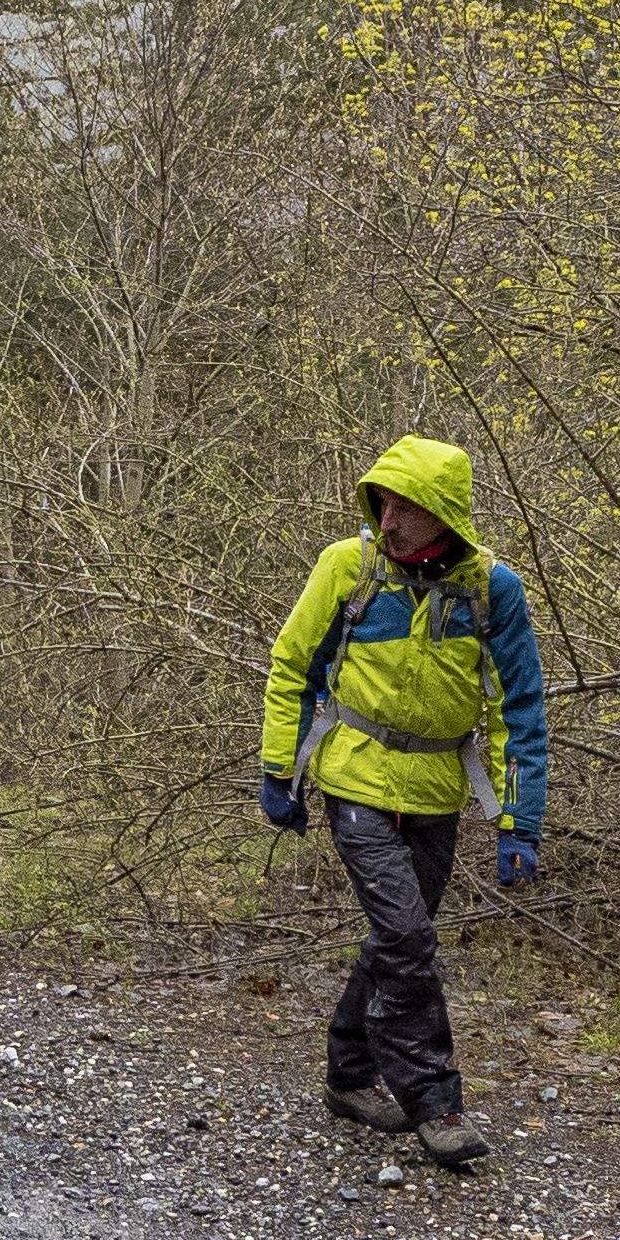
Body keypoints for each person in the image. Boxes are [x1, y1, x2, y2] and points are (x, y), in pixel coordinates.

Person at [257, 437, 549, 1171]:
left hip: (438, 789)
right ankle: (436, 1103)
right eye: (382, 503)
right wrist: (279, 772)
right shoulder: (347, 569)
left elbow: (521, 709)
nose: (388, 522)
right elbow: (294, 665)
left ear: (445, 515)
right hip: (354, 779)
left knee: (397, 938)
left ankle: (349, 1076)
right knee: (409, 937)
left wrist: (521, 819)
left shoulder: (493, 590)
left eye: (406, 509)